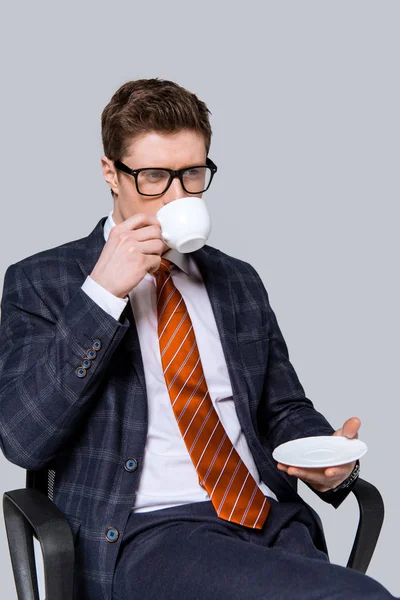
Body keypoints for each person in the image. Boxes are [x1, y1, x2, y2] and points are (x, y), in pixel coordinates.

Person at [0, 78, 396, 600]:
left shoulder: (237, 281)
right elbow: (24, 439)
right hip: (148, 533)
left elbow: (283, 408)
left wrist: (324, 457)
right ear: (110, 174)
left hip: (268, 520)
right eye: (154, 177)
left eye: (192, 174)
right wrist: (102, 294)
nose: (177, 196)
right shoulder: (45, 281)